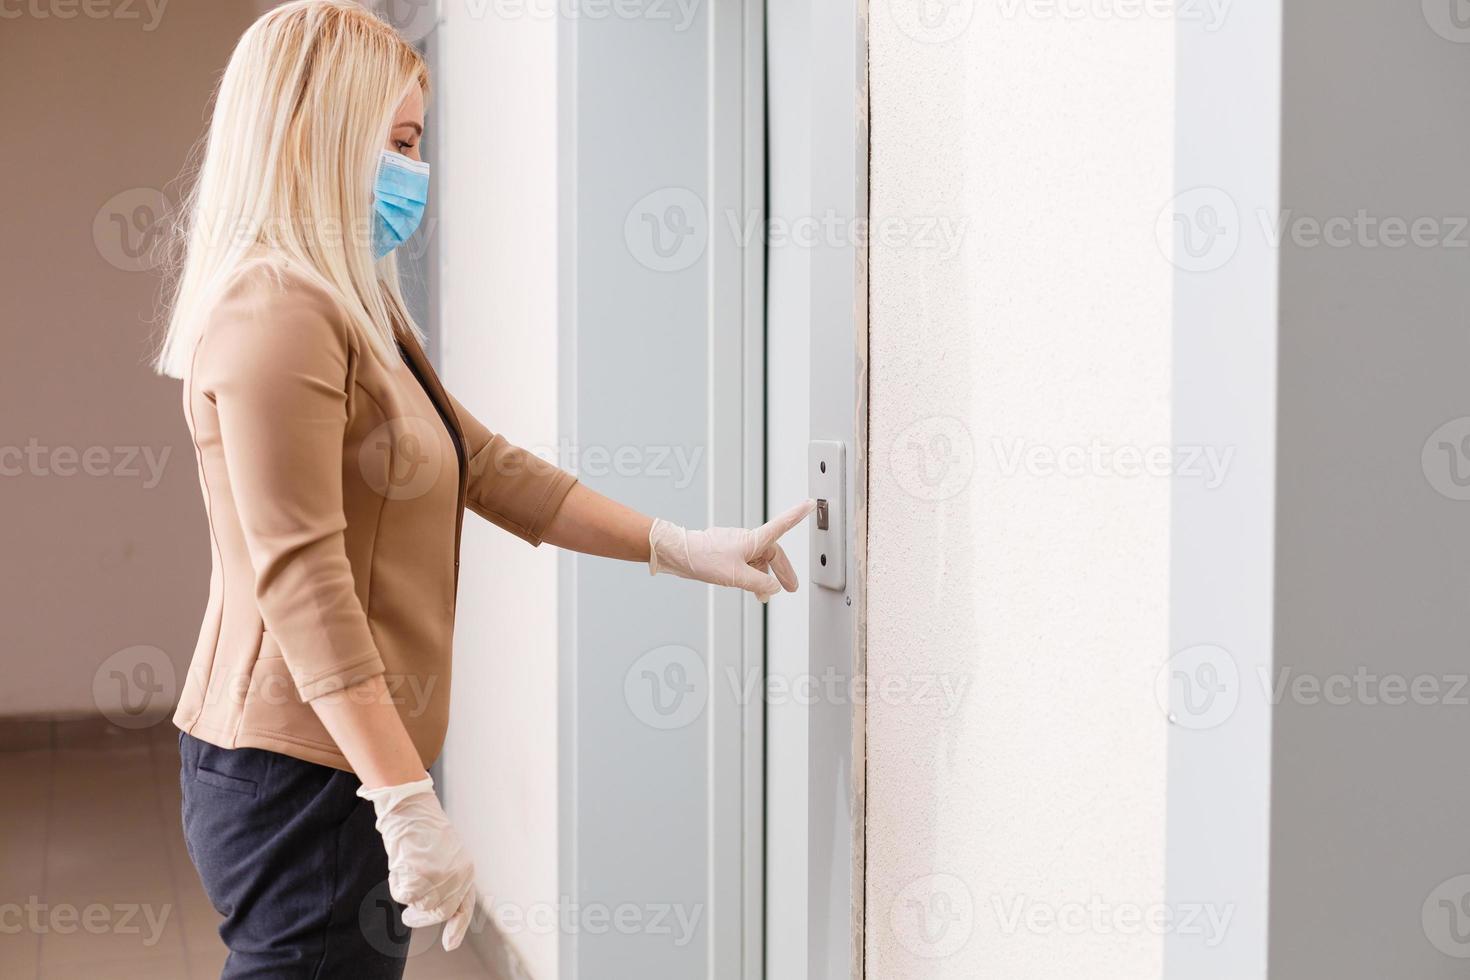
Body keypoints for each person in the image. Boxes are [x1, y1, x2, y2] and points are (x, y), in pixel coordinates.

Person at [154, 3, 812, 976]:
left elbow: (482, 461)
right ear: (318, 133)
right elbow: (302, 578)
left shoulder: (349, 301)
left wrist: (675, 543)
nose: (416, 172)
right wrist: (401, 794)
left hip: (341, 762)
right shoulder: (276, 309)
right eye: (401, 141)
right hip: (302, 768)